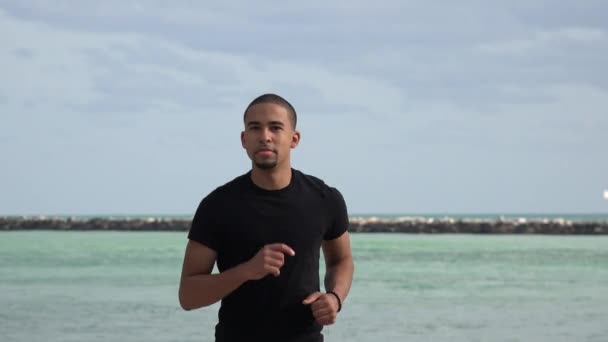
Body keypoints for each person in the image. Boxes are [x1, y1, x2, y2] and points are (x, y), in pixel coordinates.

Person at [178, 93, 355, 342]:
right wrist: (247, 270)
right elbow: (188, 296)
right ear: (244, 139)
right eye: (255, 128)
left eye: (275, 127)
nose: (265, 136)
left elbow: (341, 260)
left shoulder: (325, 199)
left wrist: (335, 297)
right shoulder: (217, 206)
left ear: (294, 139)